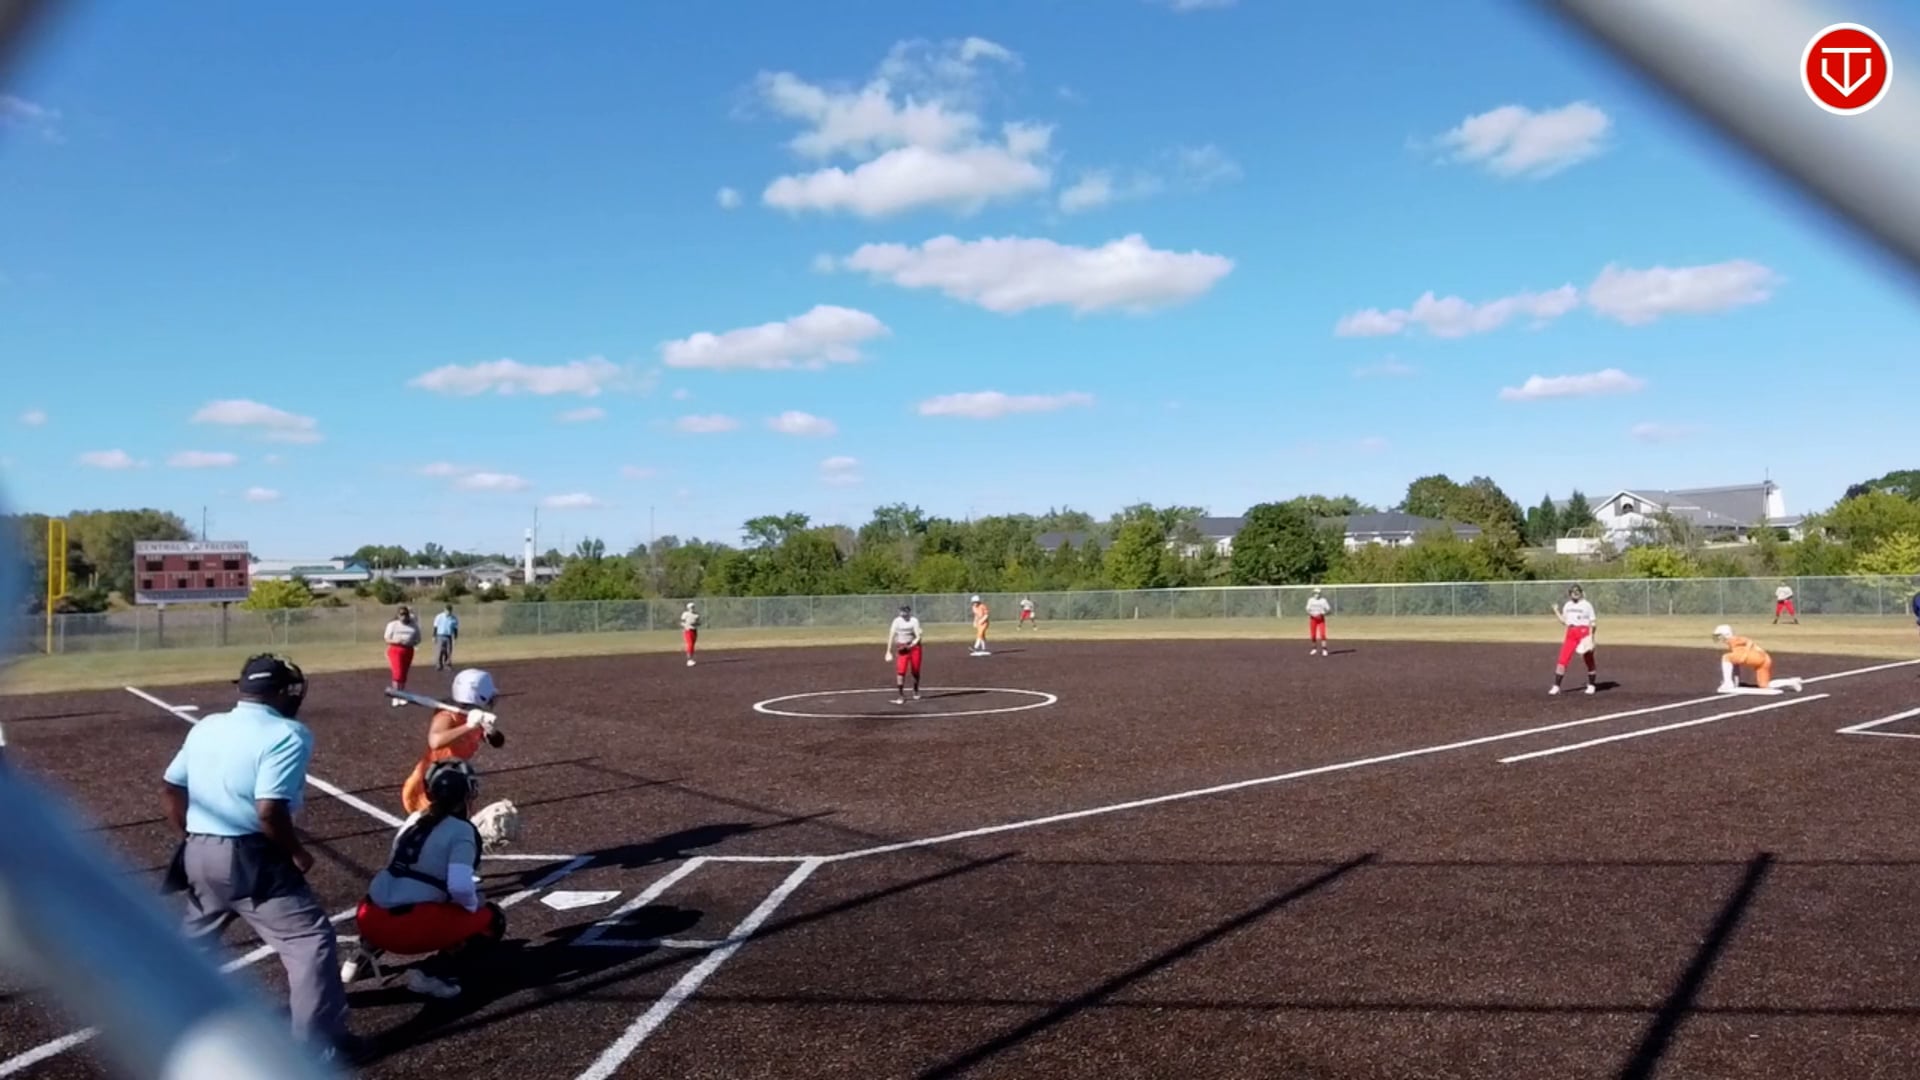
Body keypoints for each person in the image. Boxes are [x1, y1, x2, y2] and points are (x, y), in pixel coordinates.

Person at [159, 654, 356, 1059]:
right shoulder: (288, 733)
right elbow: (269, 809)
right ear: (281, 692)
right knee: (309, 942)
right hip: (250, 858)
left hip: (197, 852)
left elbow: (171, 786)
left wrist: (191, 836)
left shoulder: (207, 725)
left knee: (193, 945)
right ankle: (317, 1048)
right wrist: (296, 852)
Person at [341, 760, 506, 999]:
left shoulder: (415, 818)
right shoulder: (462, 830)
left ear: (430, 793)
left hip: (369, 916)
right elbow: (460, 886)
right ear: (465, 797)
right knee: (491, 918)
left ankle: (360, 958)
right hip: (409, 927)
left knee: (400, 893)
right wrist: (474, 905)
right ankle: (433, 974)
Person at [400, 668, 504, 816]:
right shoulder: (448, 716)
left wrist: (491, 731)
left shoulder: (476, 715)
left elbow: (498, 743)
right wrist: (468, 726)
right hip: (431, 782)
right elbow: (435, 741)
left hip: (454, 779)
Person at [1713, 624, 1804, 693]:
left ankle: (1728, 683)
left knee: (1726, 657)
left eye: (1720, 635)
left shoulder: (1733, 639)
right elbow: (1736, 663)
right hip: (1765, 659)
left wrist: (1745, 654)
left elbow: (1749, 641)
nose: (1719, 638)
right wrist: (1737, 681)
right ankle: (1791, 682)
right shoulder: (1732, 643)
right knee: (1764, 685)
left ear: (1726, 634)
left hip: (1757, 657)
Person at [1550, 584, 1598, 695]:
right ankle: (1556, 686)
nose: (1575, 593)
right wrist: (1556, 611)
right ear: (1569, 594)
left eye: (1577, 591)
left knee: (1589, 659)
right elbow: (1564, 621)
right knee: (1563, 659)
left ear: (1581, 593)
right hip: (1571, 633)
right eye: (1573, 592)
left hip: (1584, 632)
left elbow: (1593, 623)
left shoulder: (1587, 605)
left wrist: (1591, 638)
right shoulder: (1567, 605)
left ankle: (1591, 685)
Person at [886, 604, 924, 705]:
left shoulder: (914, 621)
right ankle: (901, 695)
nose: (902, 613)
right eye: (901, 611)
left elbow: (918, 637)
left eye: (904, 611)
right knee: (901, 671)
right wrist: (888, 651)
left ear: (908, 611)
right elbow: (891, 635)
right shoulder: (896, 621)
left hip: (914, 648)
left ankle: (915, 690)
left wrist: (910, 645)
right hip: (902, 648)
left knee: (915, 670)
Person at [384, 604, 421, 707]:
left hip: (408, 650)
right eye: (401, 614)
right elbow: (387, 639)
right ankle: (395, 696)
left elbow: (418, 639)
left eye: (405, 614)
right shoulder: (392, 625)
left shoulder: (414, 625)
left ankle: (402, 695)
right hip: (395, 650)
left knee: (403, 674)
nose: (403, 616)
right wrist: (397, 641)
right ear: (398, 615)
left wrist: (411, 642)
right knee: (397, 673)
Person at [1304, 588, 1332, 657]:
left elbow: (1328, 609)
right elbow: (1307, 609)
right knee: (1313, 635)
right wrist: (1312, 614)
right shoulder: (1310, 600)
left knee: (1322, 634)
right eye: (1315, 593)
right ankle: (1314, 648)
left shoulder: (1323, 600)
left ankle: (1324, 649)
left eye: (1318, 593)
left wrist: (1323, 613)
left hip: (1321, 619)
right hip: (1313, 619)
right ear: (1313, 593)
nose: (1317, 594)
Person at [433, 604, 460, 670]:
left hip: (448, 636)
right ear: (444, 610)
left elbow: (455, 628)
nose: (448, 612)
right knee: (440, 650)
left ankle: (447, 664)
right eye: (447, 611)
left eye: (450, 611)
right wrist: (434, 636)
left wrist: (455, 637)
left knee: (448, 651)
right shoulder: (439, 616)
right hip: (440, 635)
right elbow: (435, 626)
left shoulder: (454, 618)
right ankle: (439, 665)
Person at [680, 601, 701, 667]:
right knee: (690, 644)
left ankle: (691, 658)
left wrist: (695, 624)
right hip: (688, 630)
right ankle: (689, 660)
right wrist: (686, 626)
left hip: (694, 630)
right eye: (691, 607)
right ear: (688, 608)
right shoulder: (685, 614)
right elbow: (681, 622)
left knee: (692, 645)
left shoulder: (696, 615)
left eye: (693, 607)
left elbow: (699, 623)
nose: (692, 608)